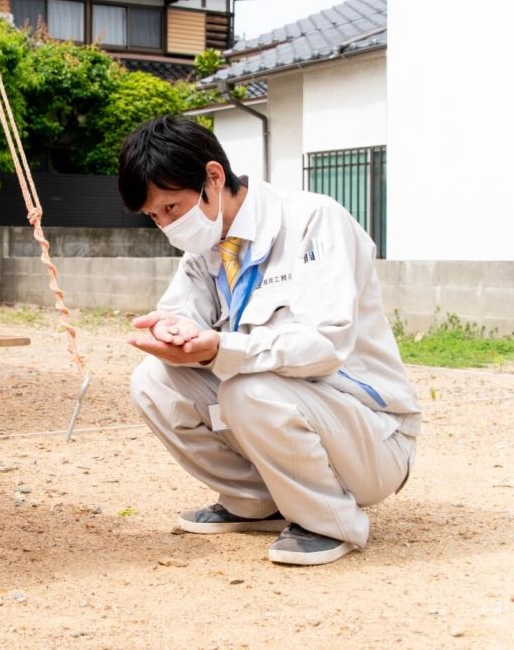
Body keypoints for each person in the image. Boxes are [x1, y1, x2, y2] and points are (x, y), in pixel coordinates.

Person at [120, 117, 420, 566]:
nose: (166, 225)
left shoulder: (312, 220)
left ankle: (329, 521)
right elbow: (183, 310)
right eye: (154, 216)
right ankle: (256, 502)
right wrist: (172, 331)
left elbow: (324, 345)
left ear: (213, 178)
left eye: (172, 208)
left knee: (246, 388)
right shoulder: (207, 246)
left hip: (371, 434)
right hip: (285, 407)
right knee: (153, 381)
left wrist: (223, 349)